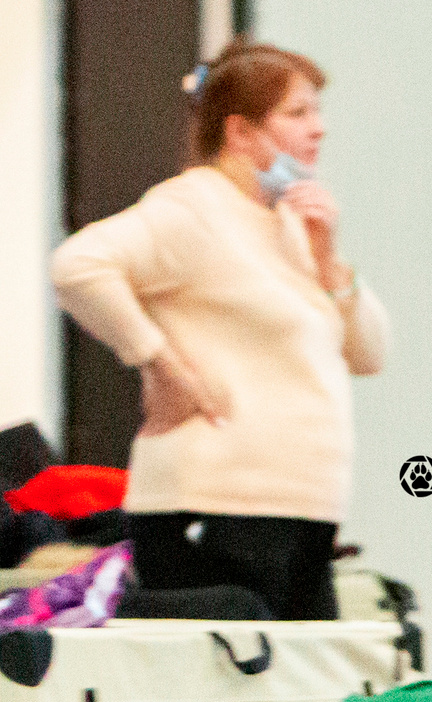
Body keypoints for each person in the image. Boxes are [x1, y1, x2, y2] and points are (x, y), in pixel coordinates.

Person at [52, 38, 389, 618]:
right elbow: (77, 266)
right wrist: (161, 363)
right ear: (240, 132)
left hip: (299, 506)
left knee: (304, 691)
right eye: (298, 112)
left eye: (317, 111)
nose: (319, 128)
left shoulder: (290, 223)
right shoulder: (194, 207)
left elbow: (370, 353)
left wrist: (329, 260)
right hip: (217, 501)